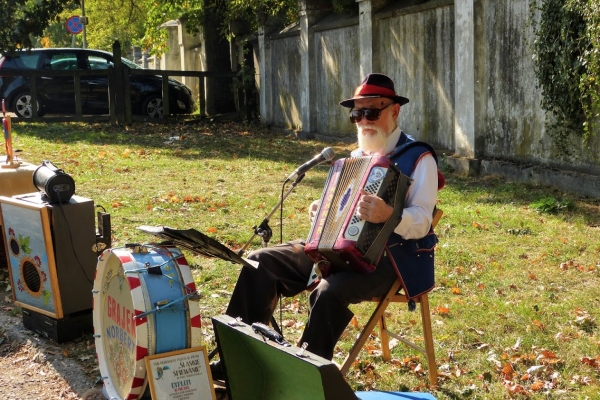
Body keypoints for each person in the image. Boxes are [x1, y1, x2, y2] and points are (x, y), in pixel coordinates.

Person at [213, 73, 440, 377]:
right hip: (337, 252)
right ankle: (237, 361)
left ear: (394, 111)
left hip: (391, 261)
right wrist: (323, 214)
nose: (363, 121)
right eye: (356, 114)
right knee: (259, 262)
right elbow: (342, 209)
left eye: (371, 112)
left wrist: (389, 215)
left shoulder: (419, 158)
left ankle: (305, 377)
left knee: (328, 291)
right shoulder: (358, 156)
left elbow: (423, 222)